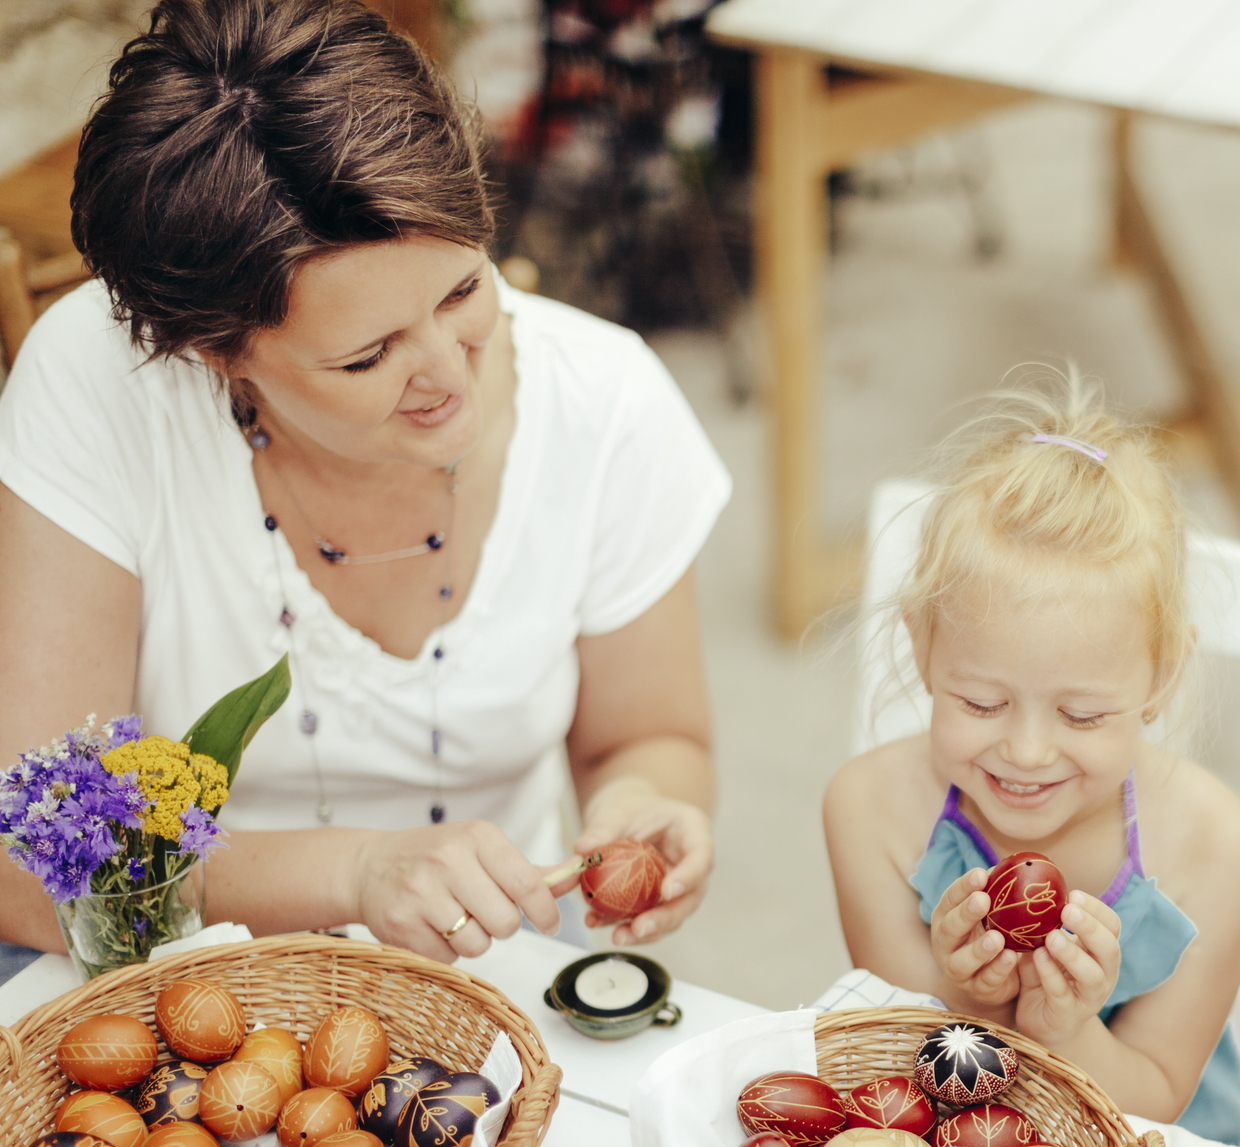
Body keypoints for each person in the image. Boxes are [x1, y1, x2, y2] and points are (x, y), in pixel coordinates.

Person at [0, 0, 723, 969]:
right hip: (177, 982)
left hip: (483, 984)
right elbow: (34, 864)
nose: (448, 373)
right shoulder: (99, 380)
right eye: (367, 355)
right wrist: (357, 874)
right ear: (219, 355)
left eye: (465, 290)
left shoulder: (607, 400)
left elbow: (650, 734)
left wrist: (639, 807)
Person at [824, 371, 1240, 1143]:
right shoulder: (869, 812)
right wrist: (970, 998)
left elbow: (1158, 1097)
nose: (1026, 752)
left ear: (1160, 677)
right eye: (981, 704)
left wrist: (1067, 1028)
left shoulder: (1214, 847)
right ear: (921, 647)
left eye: (1082, 714)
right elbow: (900, 1062)